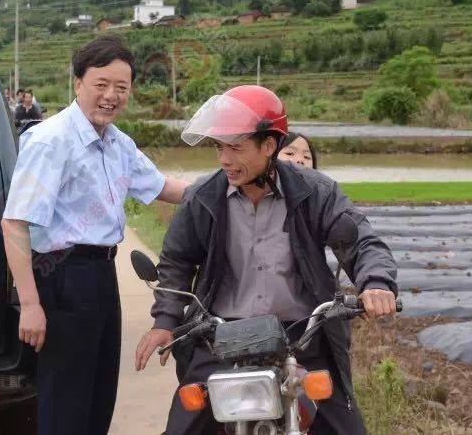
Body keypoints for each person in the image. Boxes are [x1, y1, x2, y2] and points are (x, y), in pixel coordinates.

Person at [134, 85, 398, 435]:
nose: (225, 159)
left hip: (301, 338)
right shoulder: (203, 197)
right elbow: (176, 263)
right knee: (184, 426)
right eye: (219, 147)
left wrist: (376, 282)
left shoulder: (314, 192)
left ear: (269, 145)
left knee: (346, 428)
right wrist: (165, 320)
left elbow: (360, 239)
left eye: (236, 147)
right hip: (222, 337)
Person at [1, 35, 189, 435]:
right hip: (63, 278)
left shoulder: (118, 144)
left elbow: (163, 188)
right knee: (66, 406)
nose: (111, 96)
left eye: (121, 88)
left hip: (102, 277)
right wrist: (31, 304)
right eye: (101, 84)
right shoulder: (51, 140)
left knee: (98, 398)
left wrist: (230, 186)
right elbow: (14, 223)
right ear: (78, 84)